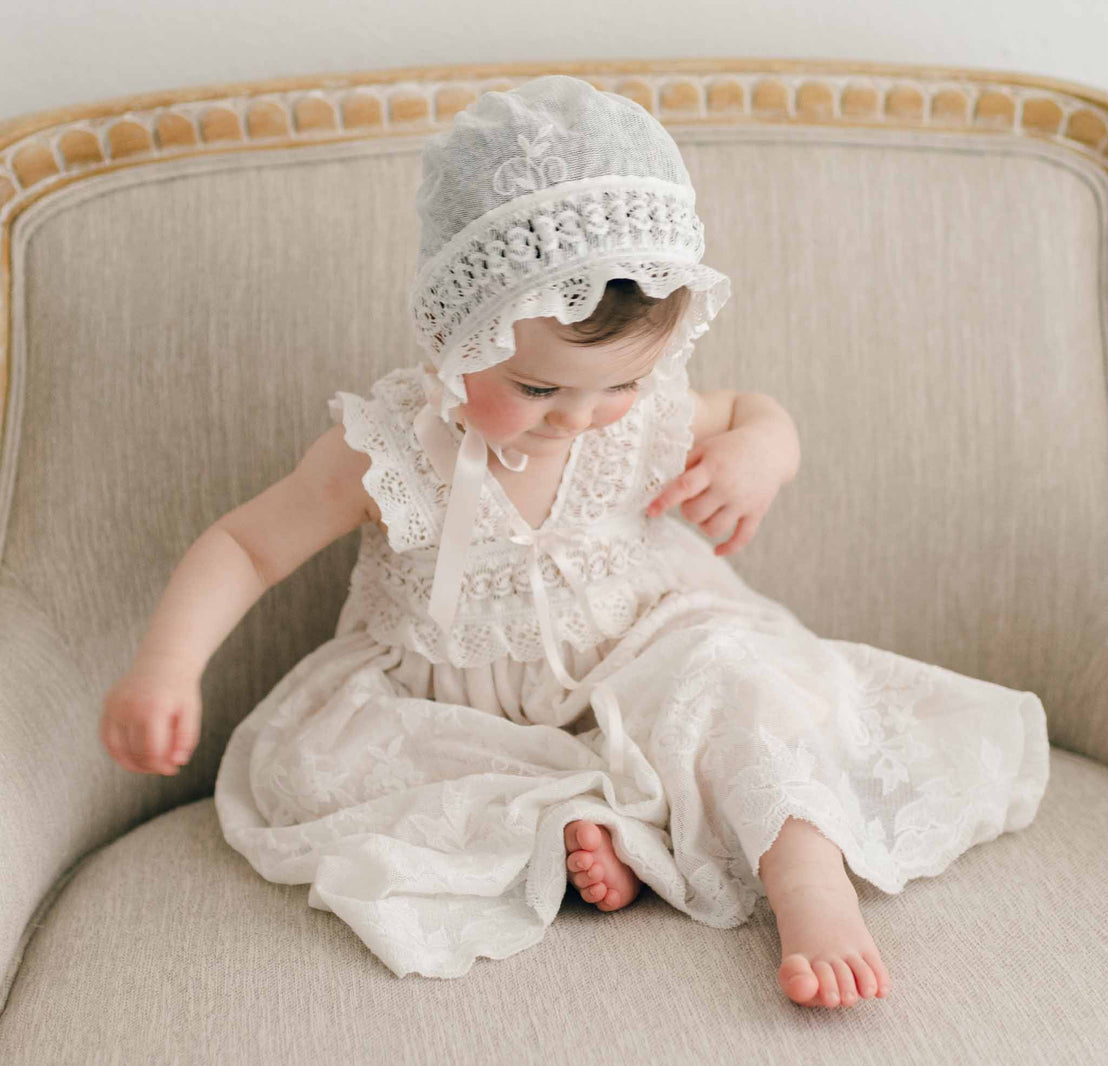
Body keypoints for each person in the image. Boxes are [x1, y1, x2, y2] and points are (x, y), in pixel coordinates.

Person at [99, 75, 1050, 1007]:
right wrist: (166, 667)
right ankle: (592, 833)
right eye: (539, 389)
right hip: (458, 705)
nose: (583, 419)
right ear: (452, 338)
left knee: (740, 685)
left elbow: (756, 410)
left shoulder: (644, 414)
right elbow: (247, 547)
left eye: (620, 385)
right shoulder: (389, 451)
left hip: (641, 658)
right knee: (365, 773)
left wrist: (763, 450)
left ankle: (811, 883)